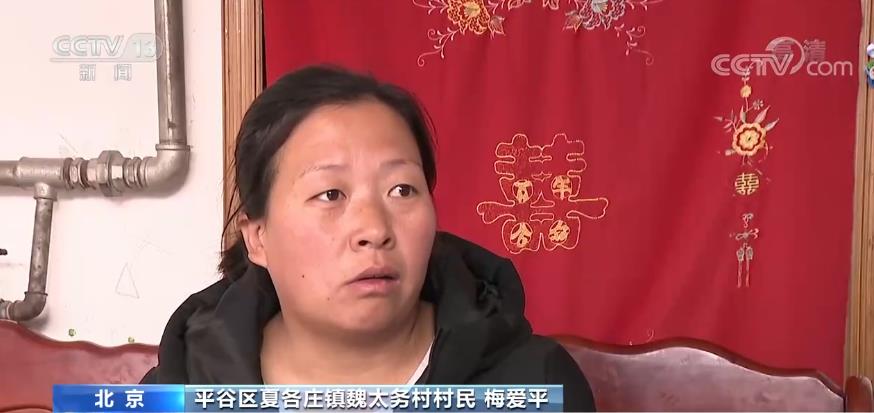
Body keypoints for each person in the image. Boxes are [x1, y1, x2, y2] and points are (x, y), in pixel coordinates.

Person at [140, 65, 596, 411]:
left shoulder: (534, 385)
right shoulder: (181, 390)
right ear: (258, 238)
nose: (374, 230)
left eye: (402, 190)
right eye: (330, 194)